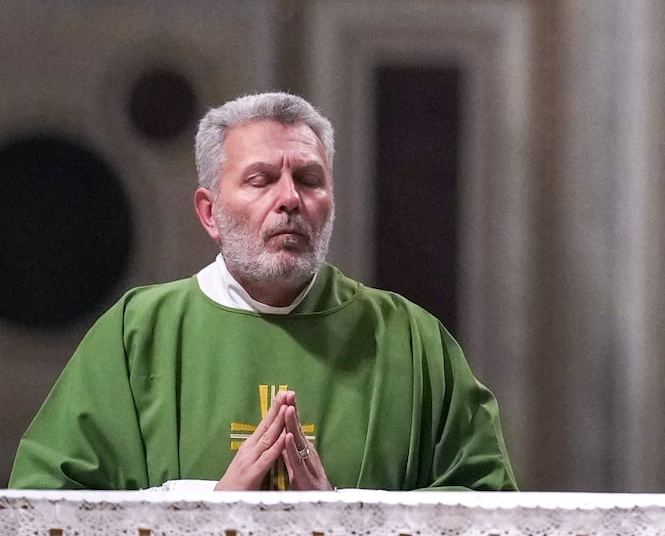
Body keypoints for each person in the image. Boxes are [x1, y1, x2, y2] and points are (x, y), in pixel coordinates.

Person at [9, 91, 515, 492]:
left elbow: (486, 511)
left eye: (310, 180)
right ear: (210, 213)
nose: (290, 199)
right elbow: (47, 508)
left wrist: (341, 519)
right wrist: (209, 512)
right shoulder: (136, 333)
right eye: (261, 179)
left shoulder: (410, 341)